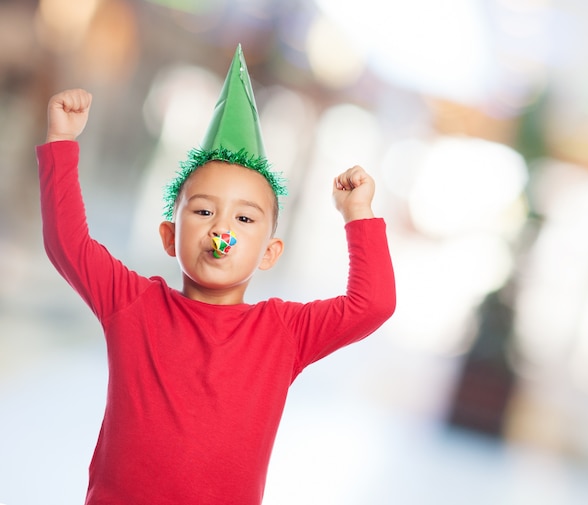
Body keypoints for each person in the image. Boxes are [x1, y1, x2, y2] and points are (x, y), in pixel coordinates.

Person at [37, 45, 395, 505]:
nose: (221, 228)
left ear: (269, 253)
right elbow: (68, 244)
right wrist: (61, 141)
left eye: (244, 220)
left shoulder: (284, 333)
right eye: (204, 210)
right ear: (170, 236)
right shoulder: (131, 302)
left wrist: (358, 214)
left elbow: (373, 304)